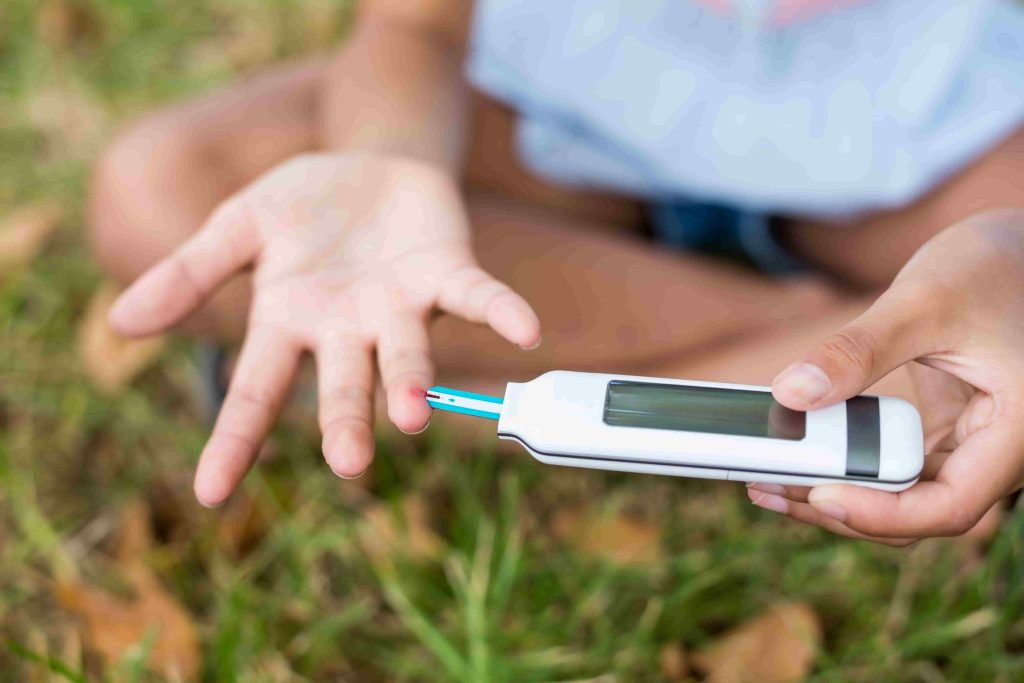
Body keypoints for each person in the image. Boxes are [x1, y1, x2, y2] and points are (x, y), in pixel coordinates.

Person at [89, 0, 1024, 543]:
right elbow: (413, 24)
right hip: (558, 123)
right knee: (160, 190)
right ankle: (816, 333)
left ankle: (439, 412)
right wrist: (386, 162)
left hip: (938, 145)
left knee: (989, 330)